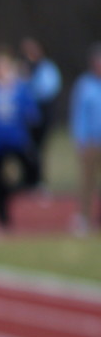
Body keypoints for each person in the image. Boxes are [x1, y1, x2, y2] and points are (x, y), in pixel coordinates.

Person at [0, 48, 40, 230]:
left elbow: (32, 113)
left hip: (17, 140)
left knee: (30, 171)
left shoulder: (20, 88)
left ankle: (12, 191)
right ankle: (1, 217)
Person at [19, 37, 61, 190]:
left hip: (43, 115)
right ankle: (27, 179)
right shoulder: (23, 67)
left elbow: (47, 90)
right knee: (25, 148)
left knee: (39, 148)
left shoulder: (47, 68)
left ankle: (38, 180)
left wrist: (29, 82)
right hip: (25, 116)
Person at [69, 43, 101, 236]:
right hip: (90, 142)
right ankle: (84, 219)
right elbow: (78, 114)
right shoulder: (85, 85)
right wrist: (79, 139)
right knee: (87, 183)